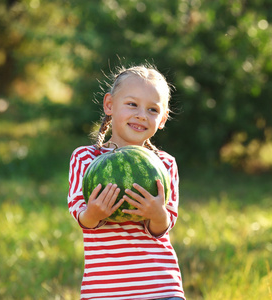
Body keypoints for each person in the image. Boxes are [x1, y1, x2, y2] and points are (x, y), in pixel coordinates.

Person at [67, 64, 185, 300]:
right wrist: (94, 212)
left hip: (161, 289)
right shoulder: (85, 158)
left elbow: (164, 225)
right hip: (105, 292)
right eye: (132, 104)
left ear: (162, 119)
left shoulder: (164, 164)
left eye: (152, 110)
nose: (142, 114)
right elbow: (81, 217)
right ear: (109, 105)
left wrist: (156, 213)